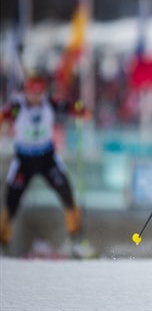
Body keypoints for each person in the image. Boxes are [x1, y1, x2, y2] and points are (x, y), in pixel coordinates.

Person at [0, 75, 94, 258]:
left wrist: (80, 110)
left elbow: (71, 107)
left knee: (67, 194)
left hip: (47, 158)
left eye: (39, 92)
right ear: (26, 91)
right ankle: (2, 245)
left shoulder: (49, 103)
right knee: (11, 203)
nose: (36, 96)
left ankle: (77, 241)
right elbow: (4, 116)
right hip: (24, 160)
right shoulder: (17, 107)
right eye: (32, 92)